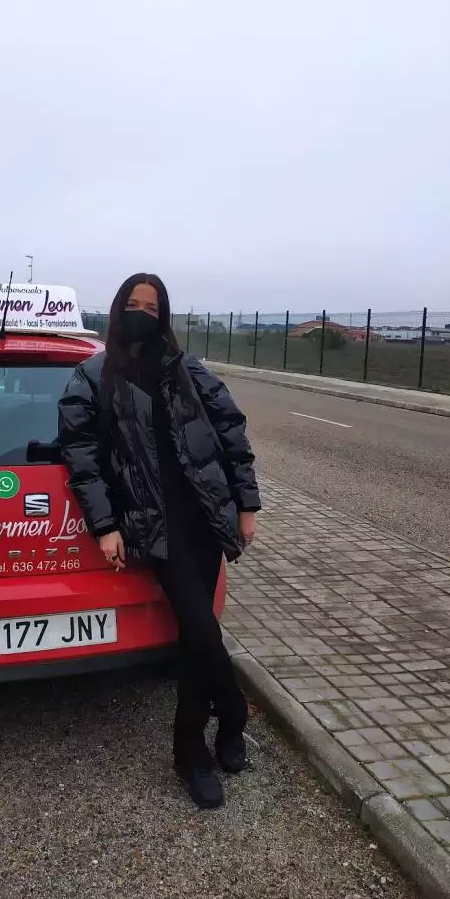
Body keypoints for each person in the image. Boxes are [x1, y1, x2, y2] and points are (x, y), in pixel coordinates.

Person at [58, 273, 261, 809]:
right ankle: (230, 717)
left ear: (164, 314)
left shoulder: (187, 368)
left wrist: (247, 504)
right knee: (199, 627)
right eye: (133, 303)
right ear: (119, 307)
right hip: (155, 524)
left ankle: (195, 748)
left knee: (197, 640)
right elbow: (81, 457)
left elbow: (231, 432)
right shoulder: (94, 375)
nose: (142, 312)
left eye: (152, 306)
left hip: (205, 520)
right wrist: (104, 525)